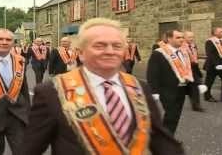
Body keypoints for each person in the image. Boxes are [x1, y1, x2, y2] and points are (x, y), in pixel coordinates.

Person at [22, 18, 184, 155]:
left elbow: (161, 140)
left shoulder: (139, 87)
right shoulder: (51, 92)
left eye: (117, 46)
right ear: (81, 53)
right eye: (99, 46)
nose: (110, 51)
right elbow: (30, 149)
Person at [147, 30, 205, 134]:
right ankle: (165, 139)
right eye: (178, 37)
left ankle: (167, 136)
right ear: (169, 39)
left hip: (182, 89)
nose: (181, 39)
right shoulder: (159, 53)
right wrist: (154, 91)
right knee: (171, 115)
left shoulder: (184, 52)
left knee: (175, 115)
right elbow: (152, 73)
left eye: (182, 37)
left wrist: (198, 83)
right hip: (167, 90)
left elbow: (191, 69)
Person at [182, 31, 207, 112]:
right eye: (189, 37)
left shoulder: (193, 45)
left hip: (193, 68)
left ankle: (196, 105)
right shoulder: (180, 46)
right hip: (184, 69)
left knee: (195, 87)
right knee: (181, 88)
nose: (191, 39)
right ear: (184, 37)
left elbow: (195, 56)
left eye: (192, 37)